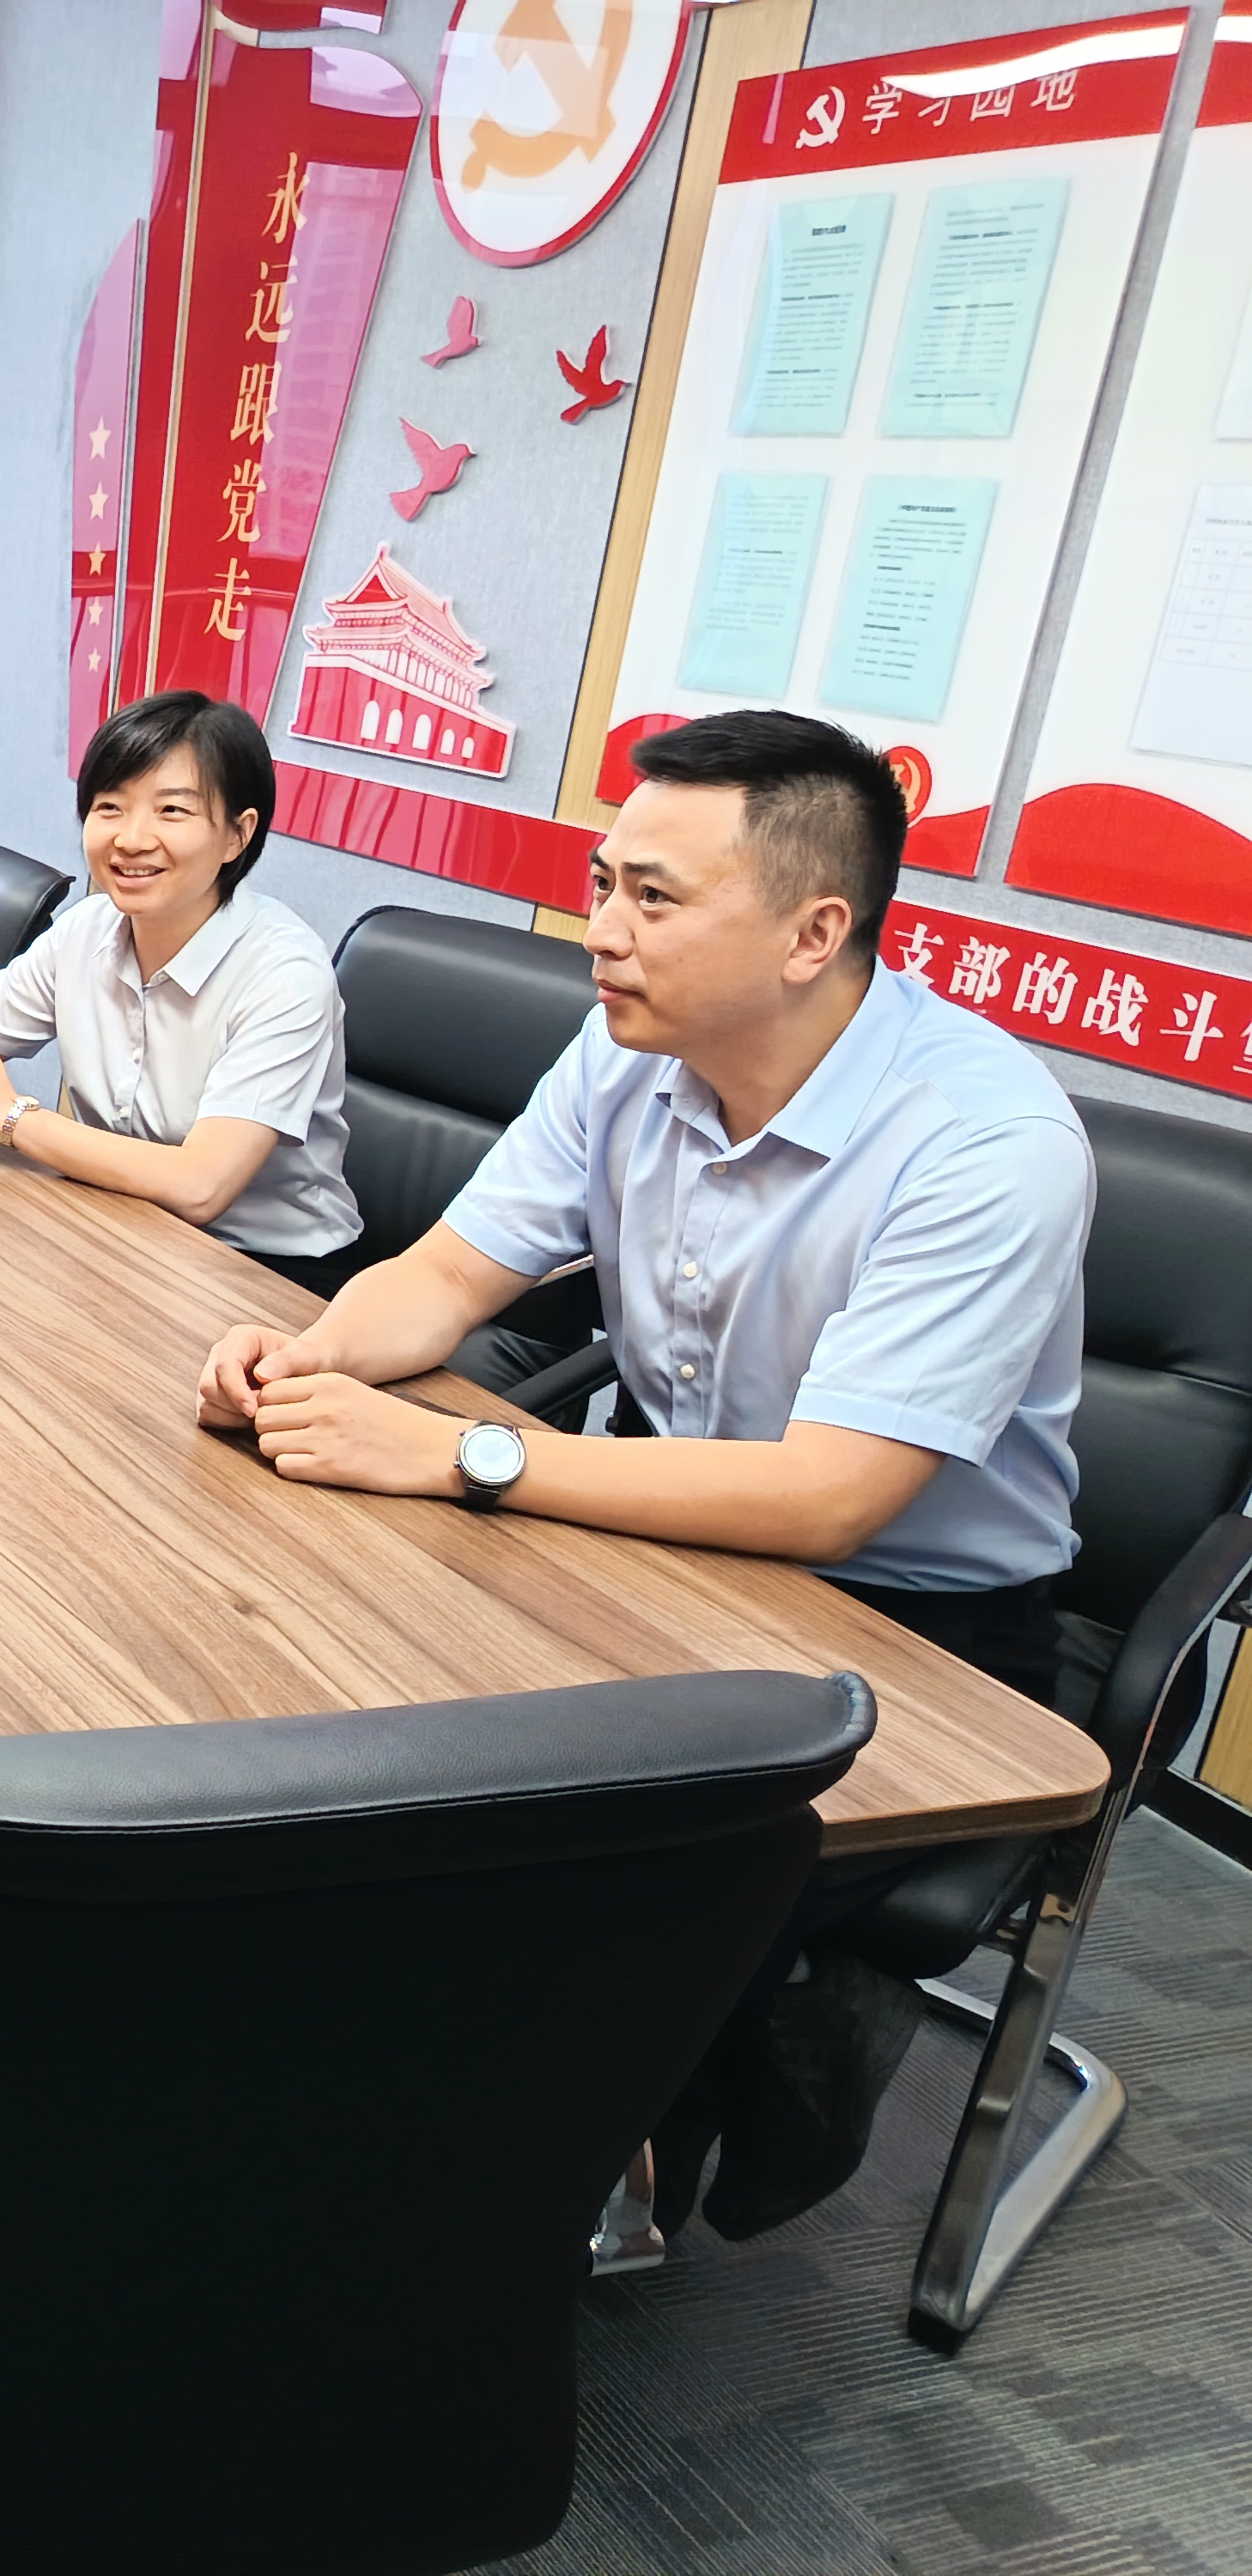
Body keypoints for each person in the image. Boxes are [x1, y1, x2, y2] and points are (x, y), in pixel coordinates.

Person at [195, 706, 1091, 2236]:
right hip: (661, 1535)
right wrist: (312, 1358)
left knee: (553, 1880)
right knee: (327, 1726)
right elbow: (448, 1277)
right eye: (603, 883)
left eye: (653, 900)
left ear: (814, 933)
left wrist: (466, 1453)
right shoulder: (632, 1049)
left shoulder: (984, 1144)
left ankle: (721, 2092)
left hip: (912, 1627)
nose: (601, 932)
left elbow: (829, 1497)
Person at [0, 690, 360, 1289]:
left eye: (172, 811)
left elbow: (201, 1186)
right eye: (110, 807)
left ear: (237, 836)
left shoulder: (285, 975)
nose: (132, 839)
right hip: (110, 1219)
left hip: (265, 1270)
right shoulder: (87, 929)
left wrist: (13, 1117)